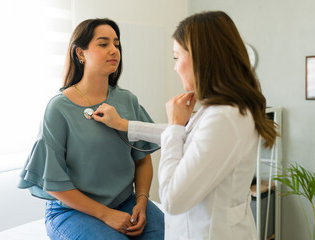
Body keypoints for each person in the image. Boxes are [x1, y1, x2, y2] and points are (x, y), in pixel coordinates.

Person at [93, 11, 278, 239]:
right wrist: (124, 124)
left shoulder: (224, 117)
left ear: (201, 57)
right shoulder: (225, 110)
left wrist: (174, 125)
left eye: (176, 57)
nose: (175, 67)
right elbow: (191, 138)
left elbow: (171, 199)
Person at [18, 18, 164, 240]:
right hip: (72, 211)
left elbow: (142, 159)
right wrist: (106, 214)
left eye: (117, 44)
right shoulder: (59, 108)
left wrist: (142, 202)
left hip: (126, 202)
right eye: (103, 44)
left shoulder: (127, 100)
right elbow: (52, 182)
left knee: (172, 234)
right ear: (81, 53)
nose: (114, 50)